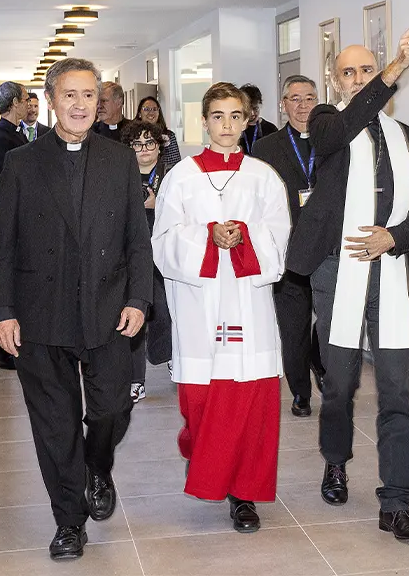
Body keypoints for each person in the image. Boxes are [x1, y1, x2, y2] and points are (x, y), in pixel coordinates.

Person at [0, 58, 153, 560]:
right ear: (52, 100)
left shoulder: (119, 159)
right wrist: (2, 311)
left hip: (107, 311)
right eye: (70, 95)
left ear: (97, 101)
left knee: (110, 409)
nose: (80, 104)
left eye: (88, 95)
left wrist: (138, 298)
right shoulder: (22, 163)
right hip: (41, 314)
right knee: (54, 424)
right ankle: (68, 521)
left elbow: (136, 240)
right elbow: (3, 245)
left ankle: (97, 467)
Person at [286, 31, 409, 542]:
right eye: (348, 72)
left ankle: (397, 501)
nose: (358, 79)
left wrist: (392, 236)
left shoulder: (407, 136)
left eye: (367, 71)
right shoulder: (328, 121)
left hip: (389, 272)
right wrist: (393, 69)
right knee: (340, 383)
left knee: (396, 390)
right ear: (335, 79)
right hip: (337, 270)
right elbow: (337, 136)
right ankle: (335, 460)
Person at [152, 82, 290, 533]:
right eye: (218, 116)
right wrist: (208, 237)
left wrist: (244, 238)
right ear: (205, 121)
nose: (227, 125)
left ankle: (245, 493)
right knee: (202, 400)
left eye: (235, 116)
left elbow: (280, 235)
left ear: (247, 120)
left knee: (251, 400)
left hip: (249, 304)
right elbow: (163, 241)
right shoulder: (182, 177)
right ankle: (207, 458)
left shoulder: (264, 176)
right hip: (199, 306)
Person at [252, 75, 326, 417]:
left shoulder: (333, 142)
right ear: (283, 105)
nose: (302, 105)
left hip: (328, 251)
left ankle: (318, 357)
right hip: (287, 251)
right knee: (292, 328)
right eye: (294, 99)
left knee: (327, 322)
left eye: (309, 98)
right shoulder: (265, 148)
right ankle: (300, 392)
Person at [120, 119, 174, 402]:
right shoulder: (120, 174)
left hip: (164, 254)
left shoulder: (172, 176)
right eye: (137, 144)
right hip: (131, 256)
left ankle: (167, 355)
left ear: (159, 146)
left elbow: (185, 213)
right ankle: (135, 380)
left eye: (149, 143)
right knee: (133, 316)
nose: (144, 149)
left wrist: (158, 204)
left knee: (165, 311)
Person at [0, 80, 29, 370]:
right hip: (10, 218)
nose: (28, 104)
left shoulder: (12, 134)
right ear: (13, 103)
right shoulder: (2, 138)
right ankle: (4, 349)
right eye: (25, 99)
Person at [136, 95, 183, 170]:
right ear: (139, 114)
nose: (151, 113)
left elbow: (176, 165)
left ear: (159, 113)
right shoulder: (132, 135)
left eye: (154, 109)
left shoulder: (169, 136)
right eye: (146, 109)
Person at [238, 83, 277, 155]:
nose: (252, 113)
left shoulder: (270, 129)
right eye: (249, 109)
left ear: (260, 104)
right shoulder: (236, 129)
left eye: (255, 108)